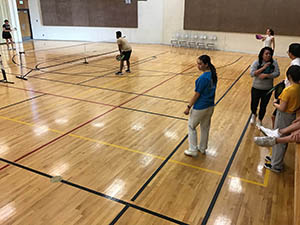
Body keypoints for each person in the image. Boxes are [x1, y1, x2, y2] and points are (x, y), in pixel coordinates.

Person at [255, 65, 300, 172]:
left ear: (289, 76)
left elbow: (282, 107)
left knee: (279, 140)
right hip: (293, 115)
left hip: (284, 116)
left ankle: (276, 165)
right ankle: (275, 159)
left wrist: (275, 104)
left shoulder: (288, 91)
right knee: (281, 139)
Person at [183, 55, 217, 157]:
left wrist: (188, 107)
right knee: (205, 127)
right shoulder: (213, 74)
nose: (198, 66)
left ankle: (192, 149)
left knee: (191, 126)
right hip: (210, 106)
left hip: (201, 107)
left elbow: (196, 95)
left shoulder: (202, 78)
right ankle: (202, 148)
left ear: (206, 64)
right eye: (197, 63)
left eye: (200, 64)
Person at [270, 43, 300, 127]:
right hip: (292, 95)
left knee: (276, 117)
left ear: (291, 53)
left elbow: (282, 108)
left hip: (288, 97)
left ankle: (276, 134)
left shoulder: (295, 64)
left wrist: (275, 103)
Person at [250, 47, 280, 126]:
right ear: (262, 54)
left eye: (270, 54)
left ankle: (260, 119)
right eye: (266, 54)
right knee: (254, 104)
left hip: (268, 89)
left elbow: (277, 73)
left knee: (263, 105)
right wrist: (264, 67)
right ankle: (253, 114)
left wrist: (267, 75)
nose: (268, 55)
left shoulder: (274, 63)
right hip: (256, 88)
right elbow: (252, 73)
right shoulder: (257, 62)